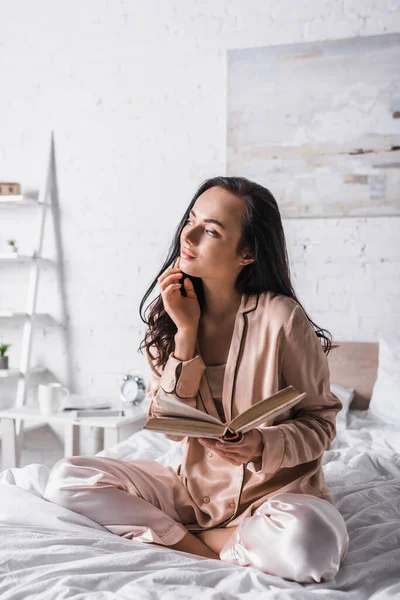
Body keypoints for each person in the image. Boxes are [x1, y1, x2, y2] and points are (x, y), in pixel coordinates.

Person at [44, 176, 349, 583]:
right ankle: (212, 547)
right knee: (67, 479)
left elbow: (321, 422)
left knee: (311, 543)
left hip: (274, 499)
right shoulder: (172, 314)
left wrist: (263, 444)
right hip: (190, 493)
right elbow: (166, 425)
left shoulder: (282, 319)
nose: (187, 234)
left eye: (210, 230)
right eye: (191, 219)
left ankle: (190, 542)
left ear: (246, 253)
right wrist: (185, 335)